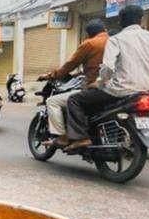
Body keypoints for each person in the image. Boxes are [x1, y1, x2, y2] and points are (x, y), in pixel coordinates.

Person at [65, 5, 149, 150]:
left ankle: (81, 138)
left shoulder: (117, 39)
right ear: (141, 20)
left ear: (121, 21)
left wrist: (100, 83)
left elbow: (107, 68)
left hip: (120, 90)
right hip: (147, 90)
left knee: (74, 100)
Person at [39, 19, 108, 147]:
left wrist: (51, 75)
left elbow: (70, 65)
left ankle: (64, 137)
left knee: (54, 101)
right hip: (120, 87)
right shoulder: (115, 41)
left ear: (88, 34)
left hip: (97, 88)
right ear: (105, 30)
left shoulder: (90, 44)